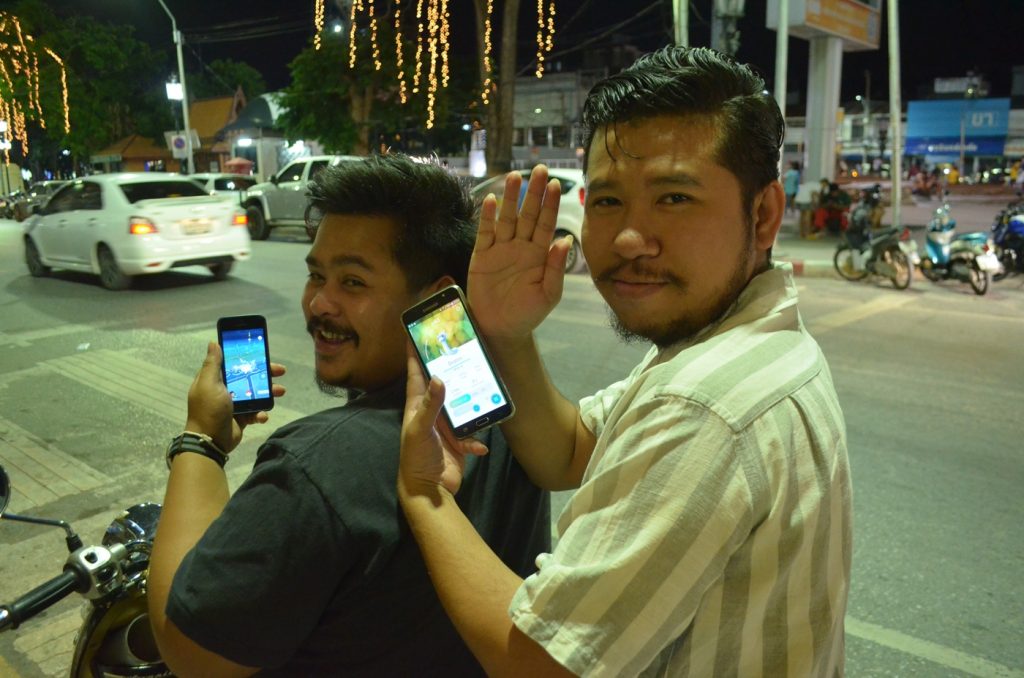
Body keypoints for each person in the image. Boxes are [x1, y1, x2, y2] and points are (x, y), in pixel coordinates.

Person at [397, 46, 850, 676]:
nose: (631, 238)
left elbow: (538, 664)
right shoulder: (746, 339)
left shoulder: (704, 406)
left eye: (674, 198)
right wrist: (505, 332)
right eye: (607, 202)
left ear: (764, 213)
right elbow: (571, 452)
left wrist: (423, 495)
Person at [147, 154, 550, 677]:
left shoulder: (314, 468)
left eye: (353, 283)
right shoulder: (512, 417)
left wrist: (200, 440)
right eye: (317, 275)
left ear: (435, 299)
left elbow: (187, 648)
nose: (319, 304)